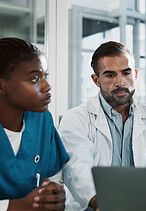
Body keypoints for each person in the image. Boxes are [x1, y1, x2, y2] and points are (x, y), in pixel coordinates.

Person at [59, 41, 146, 210]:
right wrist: (102, 203)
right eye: (110, 75)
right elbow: (77, 171)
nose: (120, 82)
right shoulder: (76, 119)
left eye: (126, 73)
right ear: (96, 80)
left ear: (136, 74)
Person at [0, 37, 69, 211]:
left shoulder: (42, 120)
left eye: (44, 76)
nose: (47, 86)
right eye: (34, 79)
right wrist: (15, 206)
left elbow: (54, 178)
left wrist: (55, 196)